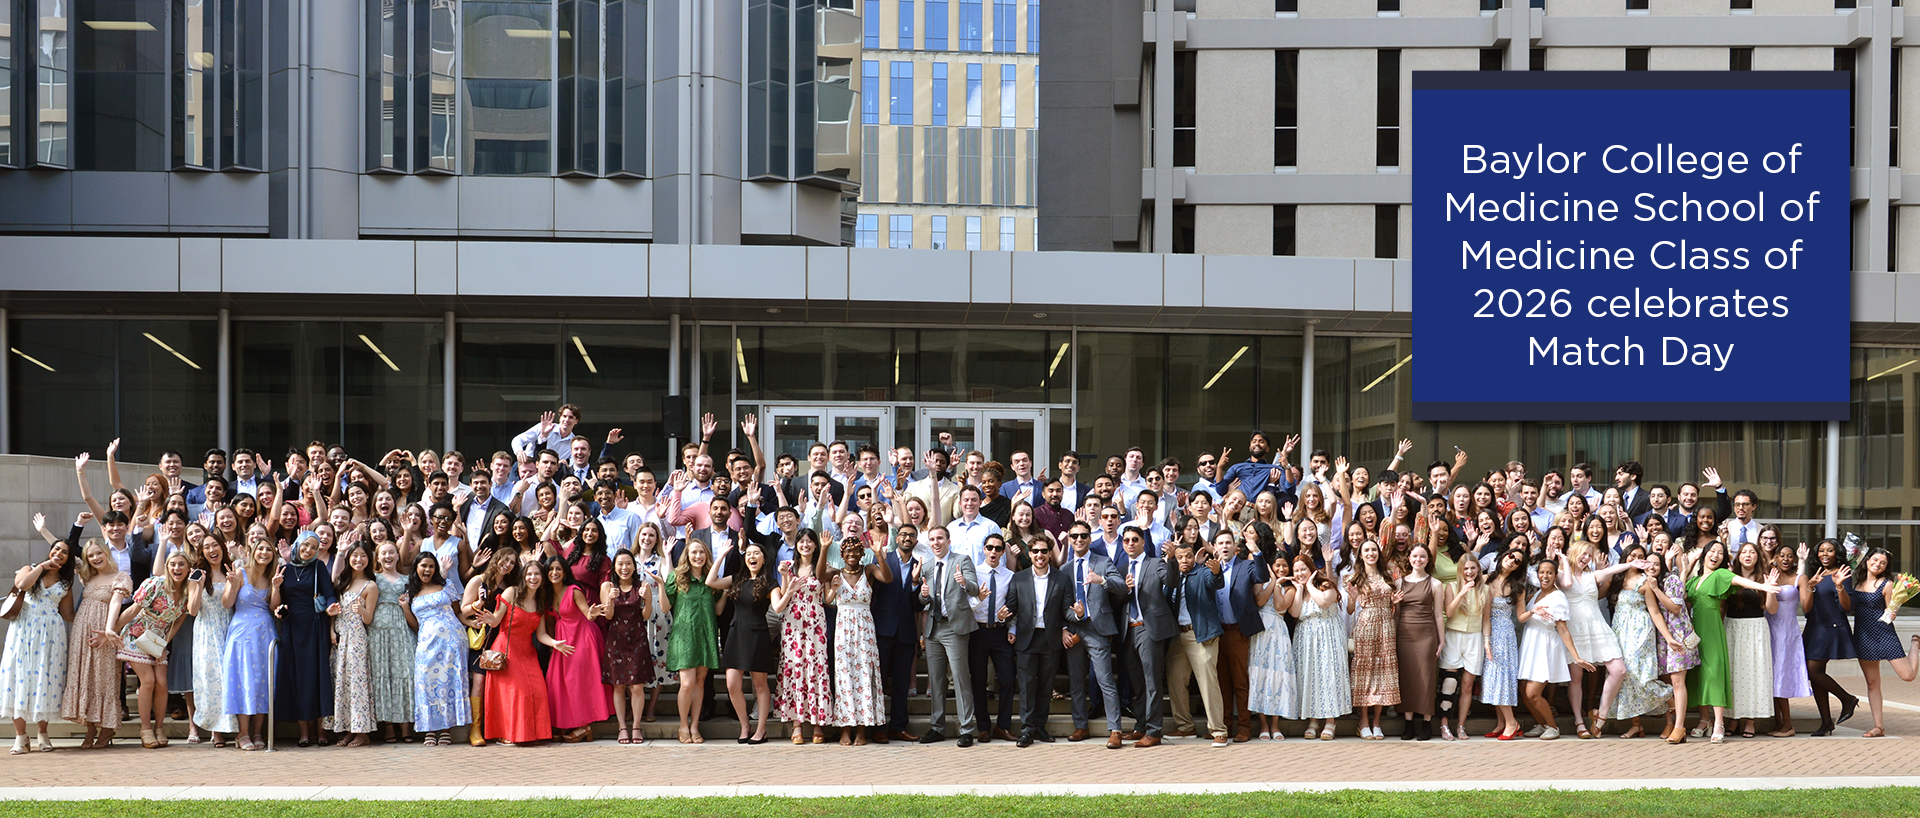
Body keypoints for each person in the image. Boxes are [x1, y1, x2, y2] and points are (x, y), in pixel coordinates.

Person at [1686, 540, 1782, 744]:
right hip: (1696, 631)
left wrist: (1763, 586)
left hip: (1712, 630)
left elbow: (1740, 581)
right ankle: (1705, 720)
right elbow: (1681, 595)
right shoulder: (1694, 581)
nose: (1716, 555)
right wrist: (1687, 565)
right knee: (1698, 675)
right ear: (1704, 554)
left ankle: (1719, 722)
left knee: (1714, 674)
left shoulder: (1721, 575)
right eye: (1712, 551)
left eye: (1720, 553)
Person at [1, 518, 75, 755]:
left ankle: (43, 733)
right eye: (56, 549)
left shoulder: (66, 582)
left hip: (51, 635)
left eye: (64, 552)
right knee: (18, 676)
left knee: (46, 679)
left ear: (68, 559)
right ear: (50, 551)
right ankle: (21, 736)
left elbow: (68, 614)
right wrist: (42, 567)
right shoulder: (30, 568)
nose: (59, 553)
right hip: (23, 630)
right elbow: (22, 584)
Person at [480, 551, 568, 746]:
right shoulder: (511, 592)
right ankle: (507, 733)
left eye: (537, 574)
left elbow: (541, 634)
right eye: (529, 574)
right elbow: (496, 621)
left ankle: (531, 734)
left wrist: (554, 643)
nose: (533, 578)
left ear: (542, 578)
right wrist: (489, 619)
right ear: (524, 576)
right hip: (506, 649)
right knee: (516, 694)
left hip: (527, 651)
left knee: (538, 690)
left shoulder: (540, 602)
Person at [994, 529, 1070, 748]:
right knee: (1027, 686)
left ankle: (1040, 726)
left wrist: (1074, 618)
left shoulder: (1061, 578)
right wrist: (1003, 618)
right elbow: (1011, 606)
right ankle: (1027, 730)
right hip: (1026, 639)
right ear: (1029, 553)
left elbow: (1066, 608)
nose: (1039, 555)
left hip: (1050, 638)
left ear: (1048, 553)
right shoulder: (1019, 578)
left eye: (1044, 551)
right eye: (1035, 551)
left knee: (1046, 686)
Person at [1556, 539, 1631, 738]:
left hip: (1597, 628)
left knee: (1619, 670)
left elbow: (1613, 570)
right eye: (1583, 554)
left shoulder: (1594, 575)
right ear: (1574, 553)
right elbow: (1567, 583)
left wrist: (1632, 564)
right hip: (1574, 630)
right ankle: (1579, 722)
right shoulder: (1561, 574)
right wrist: (1564, 560)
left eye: (1589, 555)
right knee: (1576, 678)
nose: (1586, 558)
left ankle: (1601, 716)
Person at [62, 539, 132, 749]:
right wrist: (43, 531)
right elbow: (63, 553)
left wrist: (110, 629)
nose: (95, 558)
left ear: (106, 552)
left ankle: (107, 727)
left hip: (102, 632)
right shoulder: (88, 576)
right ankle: (90, 726)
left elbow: (116, 603)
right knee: (85, 676)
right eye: (90, 556)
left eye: (98, 553)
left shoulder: (120, 577)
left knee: (104, 676)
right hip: (81, 632)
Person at [1061, 519, 1125, 745]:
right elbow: (1060, 605)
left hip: (1098, 630)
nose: (1079, 539)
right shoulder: (1064, 569)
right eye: (1075, 536)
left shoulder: (1102, 561)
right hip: (1075, 630)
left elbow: (1122, 586)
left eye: (1083, 536)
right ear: (1070, 540)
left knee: (1105, 680)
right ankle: (1080, 726)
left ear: (1090, 538)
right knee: (1077, 682)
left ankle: (1115, 729)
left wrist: (1102, 580)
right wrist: (1067, 625)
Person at [275, 531, 340, 746]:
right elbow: (280, 600)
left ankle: (321, 730)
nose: (309, 550)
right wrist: (279, 608)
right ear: (297, 546)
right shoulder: (285, 569)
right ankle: (304, 731)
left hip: (315, 626)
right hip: (293, 627)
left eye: (314, 547)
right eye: (306, 545)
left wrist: (331, 606)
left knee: (317, 676)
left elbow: (329, 592)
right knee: (299, 678)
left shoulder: (318, 567)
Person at [917, 526, 979, 746]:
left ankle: (967, 729)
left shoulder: (962, 560)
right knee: (936, 680)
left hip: (955, 628)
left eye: (940, 538)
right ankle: (937, 727)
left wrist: (964, 582)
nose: (936, 542)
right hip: (934, 628)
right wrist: (923, 596)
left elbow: (974, 589)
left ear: (948, 541)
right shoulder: (926, 566)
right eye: (932, 539)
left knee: (961, 678)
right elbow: (923, 598)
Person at [1849, 547, 1920, 738]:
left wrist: (1893, 612)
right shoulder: (1857, 582)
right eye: (1875, 560)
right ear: (1867, 560)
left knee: (1908, 676)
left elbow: (1891, 610)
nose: (1877, 564)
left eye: (1883, 563)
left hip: (1884, 634)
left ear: (1886, 566)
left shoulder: (1887, 584)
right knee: (1872, 683)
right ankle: (1878, 727)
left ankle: (1915, 645)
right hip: (1863, 635)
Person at [1604, 545, 1675, 738]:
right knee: (1624, 677)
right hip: (1619, 630)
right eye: (1632, 555)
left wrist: (1668, 637)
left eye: (1640, 556)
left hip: (1639, 631)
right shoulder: (1617, 580)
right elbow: (1600, 593)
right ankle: (1636, 724)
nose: (1636, 559)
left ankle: (1673, 701)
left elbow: (1654, 611)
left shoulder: (1645, 581)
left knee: (1638, 674)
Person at [828, 536, 893, 744]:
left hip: (865, 628)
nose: (852, 555)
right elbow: (819, 574)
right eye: (847, 551)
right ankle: (845, 728)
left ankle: (862, 729)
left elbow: (887, 578)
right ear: (842, 554)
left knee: (865, 675)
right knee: (844, 677)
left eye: (856, 551)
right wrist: (823, 549)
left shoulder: (869, 570)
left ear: (862, 553)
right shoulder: (836, 573)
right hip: (843, 629)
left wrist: (879, 554)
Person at [711, 541, 777, 745]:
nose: (752, 556)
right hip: (736, 633)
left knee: (759, 685)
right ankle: (745, 725)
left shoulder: (771, 582)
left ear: (763, 558)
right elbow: (710, 582)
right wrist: (721, 556)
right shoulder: (737, 579)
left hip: (758, 634)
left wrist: (789, 590)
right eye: (748, 553)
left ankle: (761, 729)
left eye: (756, 553)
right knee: (732, 684)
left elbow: (778, 606)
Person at [1516, 556, 1588, 740]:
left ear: (1556, 575)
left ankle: (1553, 727)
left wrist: (1576, 657)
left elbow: (1563, 630)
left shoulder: (1558, 598)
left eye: (1549, 572)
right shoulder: (1536, 595)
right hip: (1531, 643)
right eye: (1542, 572)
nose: (1545, 576)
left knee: (1533, 693)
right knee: (1524, 690)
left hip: (1545, 646)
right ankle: (1542, 724)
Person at [1165, 540, 1228, 746]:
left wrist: (1217, 572)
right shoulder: (1172, 576)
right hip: (1177, 636)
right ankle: (1185, 727)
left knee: (1208, 682)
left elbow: (1214, 582)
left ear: (1195, 557)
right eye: (1180, 556)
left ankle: (1218, 729)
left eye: (1188, 556)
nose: (1184, 560)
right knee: (1175, 680)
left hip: (1201, 634)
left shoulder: (1202, 573)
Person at [406, 552, 472, 746]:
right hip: (427, 643)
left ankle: (446, 730)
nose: (427, 570)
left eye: (431, 566)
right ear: (416, 568)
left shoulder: (446, 586)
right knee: (426, 683)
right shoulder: (411, 592)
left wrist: (472, 623)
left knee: (449, 683)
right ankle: (429, 730)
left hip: (452, 641)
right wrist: (404, 607)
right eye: (423, 566)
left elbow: (458, 611)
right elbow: (415, 624)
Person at [544, 556, 610, 742]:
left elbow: (588, 614)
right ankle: (566, 723)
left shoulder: (574, 591)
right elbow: (549, 621)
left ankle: (585, 725)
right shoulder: (547, 595)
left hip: (582, 637)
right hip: (561, 640)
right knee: (557, 682)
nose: (554, 573)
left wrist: (593, 612)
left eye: (558, 569)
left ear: (565, 572)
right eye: (550, 569)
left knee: (577, 680)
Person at [1799, 538, 1859, 736]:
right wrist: (1810, 586)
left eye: (1830, 550)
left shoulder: (1842, 573)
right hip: (1814, 627)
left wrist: (1840, 585)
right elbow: (1806, 608)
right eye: (1821, 550)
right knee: (1815, 675)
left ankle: (1847, 699)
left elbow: (1847, 607)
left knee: (1813, 671)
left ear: (1837, 553)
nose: (1825, 554)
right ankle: (1826, 722)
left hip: (1831, 627)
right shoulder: (1816, 575)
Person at [662, 539, 719, 744]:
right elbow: (666, 606)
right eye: (694, 552)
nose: (698, 556)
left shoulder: (711, 580)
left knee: (700, 682)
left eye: (701, 552)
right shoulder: (676, 578)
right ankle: (683, 725)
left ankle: (695, 725)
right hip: (684, 636)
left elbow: (719, 609)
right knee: (686, 683)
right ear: (687, 555)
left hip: (706, 635)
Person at [222, 538, 277, 750]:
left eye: (268, 550)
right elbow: (227, 603)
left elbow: (273, 606)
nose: (264, 552)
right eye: (260, 548)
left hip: (265, 633)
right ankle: (242, 733)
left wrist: (276, 587)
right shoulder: (240, 573)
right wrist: (233, 587)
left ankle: (258, 731)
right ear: (252, 551)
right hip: (242, 633)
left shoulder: (272, 576)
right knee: (244, 679)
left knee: (264, 681)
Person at [873, 523, 923, 743]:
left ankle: (898, 727)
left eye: (911, 535)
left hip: (906, 631)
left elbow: (918, 605)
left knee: (902, 683)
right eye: (903, 534)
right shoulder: (883, 559)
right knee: (879, 681)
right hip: (882, 629)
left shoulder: (920, 566)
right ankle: (877, 727)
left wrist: (914, 582)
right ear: (896, 538)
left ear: (916, 541)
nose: (907, 538)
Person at [600, 549, 656, 745]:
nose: (624, 568)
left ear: (634, 566)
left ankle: (636, 727)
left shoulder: (642, 585)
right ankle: (622, 727)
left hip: (637, 638)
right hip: (616, 639)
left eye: (628, 564)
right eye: (620, 564)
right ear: (614, 566)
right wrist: (609, 600)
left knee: (637, 686)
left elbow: (646, 615)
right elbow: (607, 616)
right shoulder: (607, 586)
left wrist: (647, 599)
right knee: (618, 685)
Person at [967, 533, 1018, 743]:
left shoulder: (1009, 575)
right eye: (990, 548)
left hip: (1000, 632)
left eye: (998, 548)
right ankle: (983, 727)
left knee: (1007, 679)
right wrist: (980, 601)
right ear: (984, 549)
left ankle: (1003, 726)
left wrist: (1012, 627)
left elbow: (1014, 606)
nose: (994, 552)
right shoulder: (975, 573)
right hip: (977, 631)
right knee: (978, 682)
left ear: (1003, 552)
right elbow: (966, 605)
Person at [186, 533, 237, 746]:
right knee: (211, 680)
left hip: (229, 627)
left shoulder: (232, 570)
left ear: (222, 547)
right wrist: (199, 586)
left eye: (215, 545)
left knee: (230, 678)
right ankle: (217, 729)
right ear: (202, 552)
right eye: (206, 547)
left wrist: (232, 584)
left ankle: (234, 726)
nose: (211, 550)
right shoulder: (197, 574)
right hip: (206, 631)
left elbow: (229, 604)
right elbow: (192, 610)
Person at [327, 542, 378, 746]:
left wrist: (362, 610)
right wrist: (331, 628)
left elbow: (369, 619)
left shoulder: (370, 586)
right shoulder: (342, 581)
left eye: (363, 556)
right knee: (341, 683)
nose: (359, 559)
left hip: (356, 637)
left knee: (357, 684)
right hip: (340, 636)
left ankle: (361, 731)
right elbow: (334, 609)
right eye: (355, 555)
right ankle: (346, 728)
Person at [1347, 540, 1399, 740]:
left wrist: (1392, 603)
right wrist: (1352, 597)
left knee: (1383, 673)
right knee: (1365, 674)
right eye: (1366, 550)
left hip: (1386, 625)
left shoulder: (1388, 574)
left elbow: (1391, 603)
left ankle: (1377, 722)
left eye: (1374, 550)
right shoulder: (1355, 577)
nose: (1371, 553)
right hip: (1366, 625)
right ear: (1360, 555)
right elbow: (1351, 610)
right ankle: (1364, 722)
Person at [1392, 542, 1444, 741]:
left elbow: (1438, 615)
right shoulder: (1399, 583)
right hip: (1404, 634)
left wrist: (1441, 640)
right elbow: (1395, 615)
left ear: (1428, 559)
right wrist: (1394, 605)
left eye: (1422, 556)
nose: (1418, 560)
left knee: (1426, 678)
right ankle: (1408, 724)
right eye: (1415, 556)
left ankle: (1426, 723)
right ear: (1409, 558)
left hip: (1427, 634)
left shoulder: (1435, 584)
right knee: (1406, 678)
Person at [1246, 545, 1298, 741]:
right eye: (1277, 565)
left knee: (1277, 677)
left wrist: (1278, 584)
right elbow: (1259, 601)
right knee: (1259, 676)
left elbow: (1279, 606)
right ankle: (1264, 724)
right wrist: (1272, 581)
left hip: (1279, 632)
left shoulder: (1290, 588)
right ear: (1271, 566)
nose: (1282, 569)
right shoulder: (1261, 581)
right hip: (1260, 632)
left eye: (1285, 566)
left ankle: (1275, 724)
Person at [369, 540, 417, 743]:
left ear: (398, 555)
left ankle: (405, 725)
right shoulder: (372, 578)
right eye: (383, 553)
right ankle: (388, 725)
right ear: (378, 558)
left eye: (391, 553)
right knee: (382, 674)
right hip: (378, 631)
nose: (388, 557)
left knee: (404, 672)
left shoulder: (407, 579)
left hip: (402, 629)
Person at [1650, 545, 1698, 744]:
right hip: (1663, 638)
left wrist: (1655, 590)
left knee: (1678, 682)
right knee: (1669, 682)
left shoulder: (1671, 580)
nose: (1652, 567)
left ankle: (1679, 726)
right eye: (1648, 564)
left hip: (1679, 637)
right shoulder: (1649, 583)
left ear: (1662, 564)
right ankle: (1672, 724)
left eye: (1655, 563)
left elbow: (1675, 608)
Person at [1764, 540, 1812, 737]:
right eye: (1781, 555)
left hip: (1786, 632)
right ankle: (1778, 722)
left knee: (1782, 674)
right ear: (1775, 558)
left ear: (1794, 560)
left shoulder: (1799, 578)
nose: (1785, 559)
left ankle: (1788, 724)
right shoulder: (1769, 575)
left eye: (1789, 556)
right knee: (1771, 675)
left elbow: (1806, 606)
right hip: (1768, 627)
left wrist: (1809, 584)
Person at [1437, 553, 1486, 741]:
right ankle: (1444, 724)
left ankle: (1460, 726)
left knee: (1467, 685)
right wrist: (1462, 592)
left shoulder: (1485, 589)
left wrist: (1487, 641)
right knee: (1449, 683)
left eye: (1473, 568)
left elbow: (1486, 619)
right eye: (1465, 568)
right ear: (1460, 570)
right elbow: (1448, 612)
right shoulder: (1452, 586)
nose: (1469, 571)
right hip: (1454, 635)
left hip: (1475, 637)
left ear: (1478, 569)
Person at [1480, 547, 1526, 740]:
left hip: (1506, 633)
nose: (1512, 561)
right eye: (1511, 556)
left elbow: (1521, 617)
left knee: (1502, 678)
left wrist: (1535, 610)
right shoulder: (1486, 580)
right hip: (1491, 631)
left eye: (1517, 561)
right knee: (1493, 677)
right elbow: (1485, 616)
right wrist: (1486, 640)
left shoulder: (1518, 587)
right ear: (1503, 555)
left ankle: (1511, 723)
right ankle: (1502, 723)